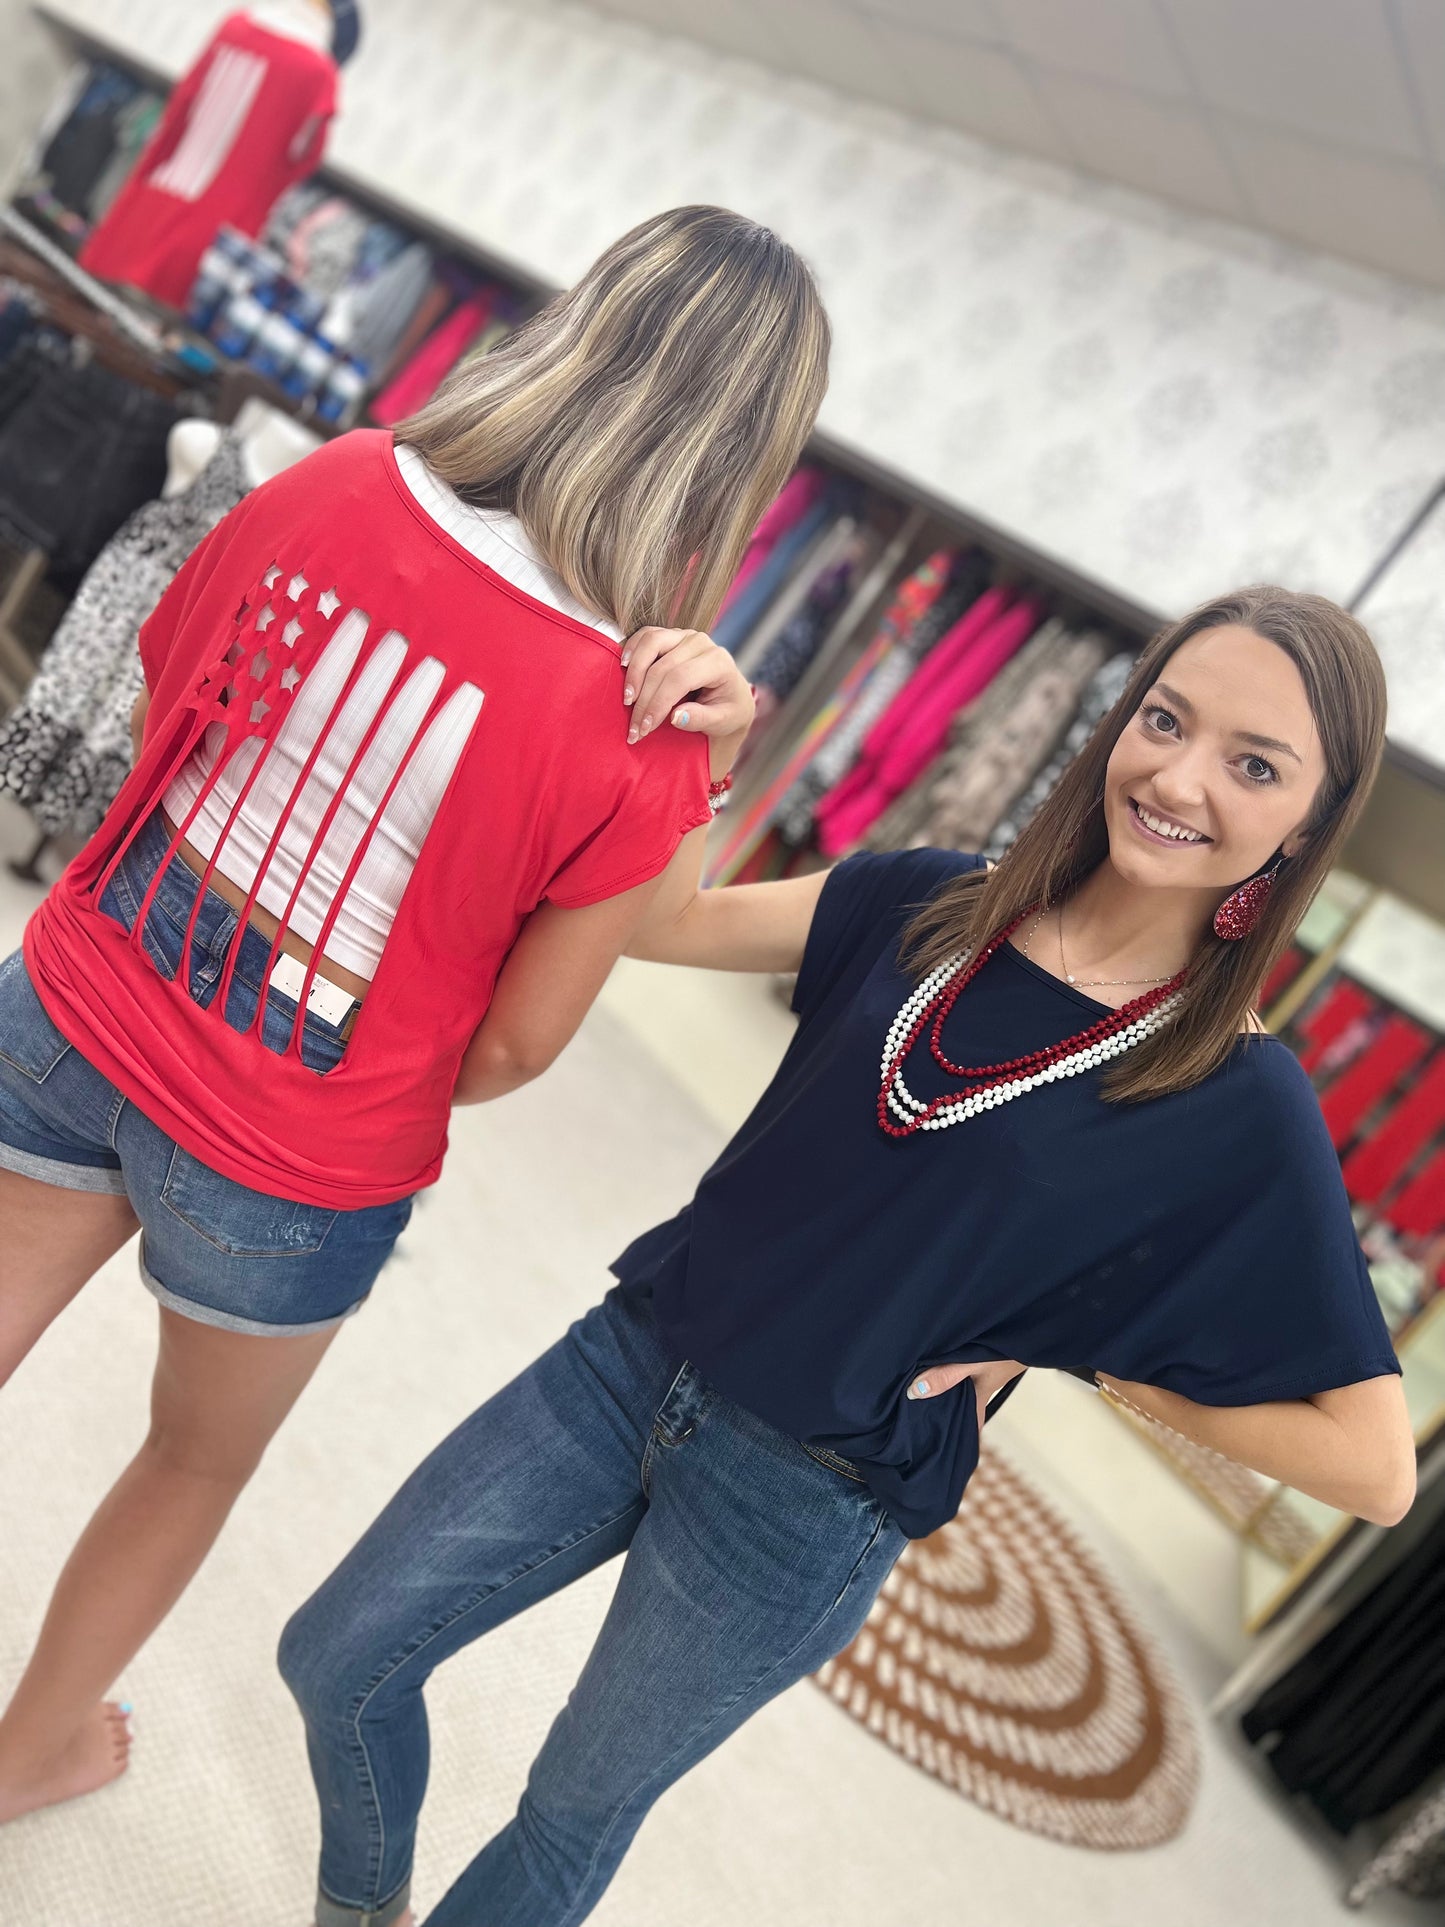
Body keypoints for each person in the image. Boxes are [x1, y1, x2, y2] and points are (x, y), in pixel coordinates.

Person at [279, 587, 1416, 1927]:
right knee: (340, 1653)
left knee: (569, 1813)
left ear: (1306, 819)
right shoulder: (927, 902)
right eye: (1163, 720)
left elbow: (1374, 1465)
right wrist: (700, 761)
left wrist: (1090, 1359)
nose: (1177, 777)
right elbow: (666, 923)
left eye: (1253, 763)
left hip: (806, 1505)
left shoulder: (1236, 1100)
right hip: (632, 1358)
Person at [0, 204, 828, 1823]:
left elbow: (178, 676)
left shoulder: (336, 474)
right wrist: (706, 770)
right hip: (293, 1151)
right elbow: (521, 1044)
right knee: (190, 1458)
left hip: (89, 986)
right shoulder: (647, 728)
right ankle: (25, 1749)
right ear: (746, 461)